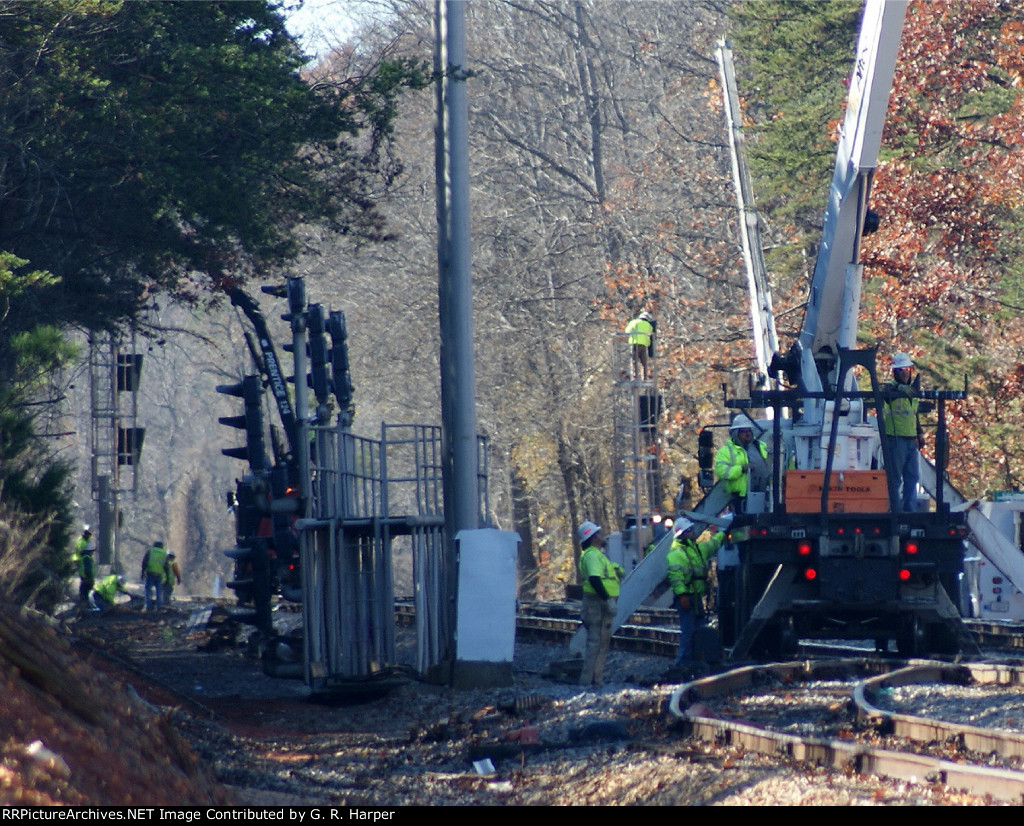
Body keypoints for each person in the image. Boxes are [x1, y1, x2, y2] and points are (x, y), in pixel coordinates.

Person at [666, 517, 729, 672]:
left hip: (696, 597)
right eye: (689, 530)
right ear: (682, 534)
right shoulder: (676, 554)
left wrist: (724, 533)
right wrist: (682, 596)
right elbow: (676, 578)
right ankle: (682, 662)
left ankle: (699, 659)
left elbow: (712, 545)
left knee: (699, 629)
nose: (693, 532)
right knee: (688, 631)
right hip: (687, 598)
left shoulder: (696, 549)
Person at [577, 521, 625, 687]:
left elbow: (600, 575)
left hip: (600, 603)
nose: (602, 534)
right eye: (599, 532)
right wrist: (607, 600)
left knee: (601, 642)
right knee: (595, 642)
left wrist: (614, 569)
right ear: (592, 537)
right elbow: (595, 579)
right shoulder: (592, 555)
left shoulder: (597, 555)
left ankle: (595, 679)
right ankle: (588, 681)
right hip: (597, 603)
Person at [882, 352, 925, 511]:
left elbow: (914, 414)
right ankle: (894, 511)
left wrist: (919, 433)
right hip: (895, 439)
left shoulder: (912, 392)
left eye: (908, 368)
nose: (905, 372)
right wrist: (900, 388)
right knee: (895, 479)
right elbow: (884, 388)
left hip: (910, 440)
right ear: (895, 371)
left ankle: (910, 510)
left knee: (912, 477)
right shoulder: (891, 388)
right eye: (901, 369)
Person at [714, 413, 770, 512]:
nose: (747, 434)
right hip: (741, 498)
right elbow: (722, 471)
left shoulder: (761, 446)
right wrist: (741, 469)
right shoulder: (726, 451)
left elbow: (773, 462)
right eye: (743, 431)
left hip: (765, 494)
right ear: (735, 433)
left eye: (749, 430)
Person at [625, 311, 655, 381]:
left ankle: (635, 378)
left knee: (634, 361)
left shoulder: (634, 322)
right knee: (644, 363)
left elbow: (627, 331)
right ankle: (644, 378)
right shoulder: (648, 325)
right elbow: (650, 333)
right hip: (644, 345)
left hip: (634, 344)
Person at [141, 540, 169, 611]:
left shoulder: (150, 551)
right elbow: (166, 566)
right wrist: (167, 577)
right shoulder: (164, 553)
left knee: (148, 590)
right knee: (159, 591)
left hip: (150, 573)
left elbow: (144, 562)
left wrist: (142, 572)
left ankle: (148, 606)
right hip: (159, 575)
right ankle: (159, 606)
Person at [76, 529, 96, 609]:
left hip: (83, 578)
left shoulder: (84, 556)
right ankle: (87, 609)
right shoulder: (87, 558)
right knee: (88, 596)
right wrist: (90, 578)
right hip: (87, 579)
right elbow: (88, 569)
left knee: (83, 595)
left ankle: (82, 608)